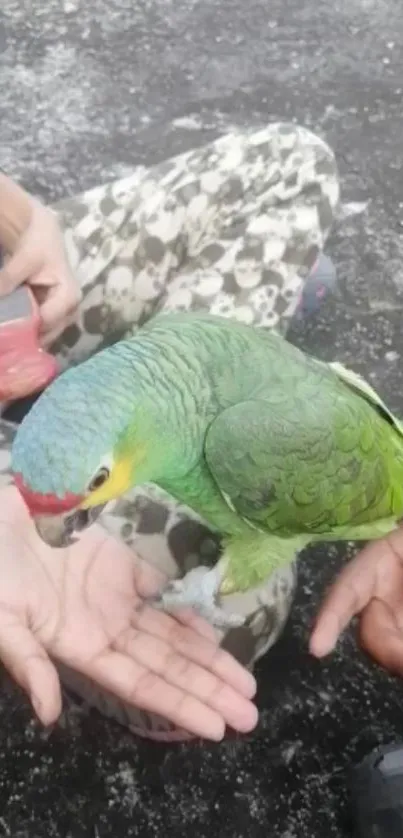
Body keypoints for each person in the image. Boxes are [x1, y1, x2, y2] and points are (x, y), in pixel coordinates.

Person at [0, 121, 353, 744]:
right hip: (66, 486)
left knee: (288, 166)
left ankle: (254, 310)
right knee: (233, 605)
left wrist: (22, 222)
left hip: (15, 304)